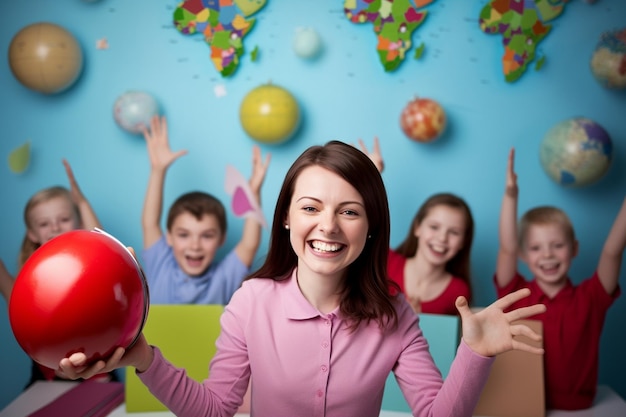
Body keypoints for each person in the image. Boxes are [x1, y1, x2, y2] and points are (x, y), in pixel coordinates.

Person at [60, 140, 546, 417]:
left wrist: (474, 354)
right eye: (311, 208)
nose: (329, 226)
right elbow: (213, 411)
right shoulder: (251, 301)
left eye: (349, 211)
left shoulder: (396, 313)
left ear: (371, 225)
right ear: (287, 219)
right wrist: (143, 357)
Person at [495, 148, 625, 410]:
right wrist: (510, 196)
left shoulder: (591, 297)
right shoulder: (516, 293)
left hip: (580, 407)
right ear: (523, 255)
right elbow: (507, 247)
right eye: (536, 248)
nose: (548, 255)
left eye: (557, 245)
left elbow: (613, 250)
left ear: (574, 249)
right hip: (525, 406)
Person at [0, 159, 117, 386]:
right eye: (44, 224)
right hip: (47, 380)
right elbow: (8, 289)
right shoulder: (28, 283)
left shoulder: (89, 266)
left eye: (63, 219)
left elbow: (104, 243)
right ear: (32, 234)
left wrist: (81, 201)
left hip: (98, 373)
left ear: (78, 223)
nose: (54, 228)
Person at [140, 115, 270, 304]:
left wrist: (253, 194)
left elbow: (250, 244)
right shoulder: (161, 264)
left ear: (221, 239)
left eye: (207, 236)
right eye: (184, 235)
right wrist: (158, 170)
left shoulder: (225, 277)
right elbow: (149, 223)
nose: (195, 245)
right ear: (169, 237)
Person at [359, 137, 473, 315]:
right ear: (417, 227)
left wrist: (417, 321)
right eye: (434, 227)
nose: (442, 238)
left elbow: (449, 341)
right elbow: (360, 224)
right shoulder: (384, 260)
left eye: (454, 232)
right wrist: (371, 175)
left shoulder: (459, 292)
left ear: (463, 241)